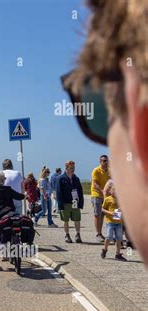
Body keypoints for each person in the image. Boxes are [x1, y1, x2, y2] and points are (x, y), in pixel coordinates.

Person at [64, 1, 148, 265]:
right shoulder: (94, 174)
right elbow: (97, 187)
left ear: (139, 125)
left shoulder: (92, 173)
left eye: (102, 118)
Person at [56, 161, 84, 243]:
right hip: (65, 203)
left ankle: (78, 234)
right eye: (71, 168)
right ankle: (67, 235)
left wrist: (80, 203)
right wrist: (60, 205)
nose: (73, 170)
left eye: (74, 168)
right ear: (66, 168)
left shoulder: (76, 178)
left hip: (75, 202)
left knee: (77, 219)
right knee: (66, 220)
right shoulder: (60, 178)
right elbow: (58, 192)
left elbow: (80, 191)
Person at [101, 180, 126, 261]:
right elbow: (102, 209)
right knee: (108, 237)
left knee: (119, 238)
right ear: (110, 191)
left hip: (119, 222)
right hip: (110, 222)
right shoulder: (107, 199)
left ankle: (118, 254)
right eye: (113, 190)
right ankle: (105, 249)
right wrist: (110, 212)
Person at [91, 155, 111, 243]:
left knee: (102, 215)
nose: (106, 162)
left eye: (107, 161)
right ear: (100, 162)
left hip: (105, 195)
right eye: (104, 161)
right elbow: (95, 184)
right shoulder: (96, 170)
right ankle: (97, 234)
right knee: (97, 214)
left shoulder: (110, 171)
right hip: (97, 194)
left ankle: (101, 233)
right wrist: (103, 191)